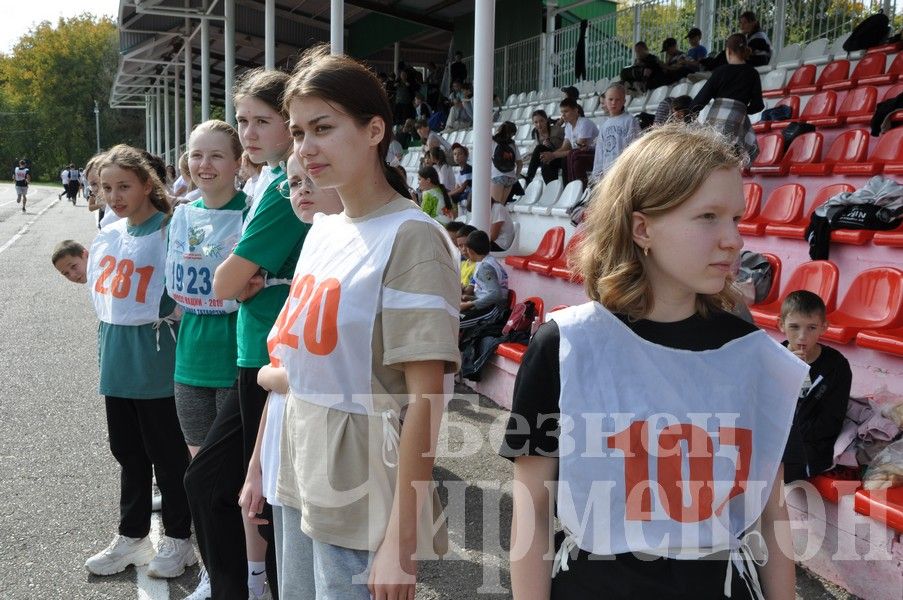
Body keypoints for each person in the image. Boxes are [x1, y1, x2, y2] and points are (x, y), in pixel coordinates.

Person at [501, 124, 807, 600]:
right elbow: (532, 509)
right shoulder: (563, 348)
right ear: (642, 227)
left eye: (736, 219)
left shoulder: (753, 355)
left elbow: (771, 512)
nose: (733, 240)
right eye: (708, 216)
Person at [275, 43, 460, 600]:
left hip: (362, 492)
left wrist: (402, 542)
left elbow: (425, 401)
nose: (306, 148)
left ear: (375, 129)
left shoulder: (413, 239)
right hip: (301, 471)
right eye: (299, 131)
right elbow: (292, 361)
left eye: (323, 128)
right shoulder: (325, 231)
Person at [190, 68, 305, 600]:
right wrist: (236, 281)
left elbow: (226, 280)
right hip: (255, 344)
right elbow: (231, 282)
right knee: (229, 487)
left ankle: (250, 587)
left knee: (249, 492)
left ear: (291, 122)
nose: (250, 133)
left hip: (268, 352)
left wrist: (236, 280)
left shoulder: (287, 185)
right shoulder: (269, 180)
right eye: (243, 121)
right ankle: (242, 585)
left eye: (264, 121)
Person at [85, 144, 196, 579]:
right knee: (128, 454)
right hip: (118, 359)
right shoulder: (111, 232)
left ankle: (179, 540)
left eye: (123, 186)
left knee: (169, 457)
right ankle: (131, 537)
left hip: (157, 361)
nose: (113, 196)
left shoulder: (170, 227)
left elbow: (180, 293)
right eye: (105, 188)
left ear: (147, 183)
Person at [239, 153, 344, 600]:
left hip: (334, 458)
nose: (299, 190)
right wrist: (256, 465)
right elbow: (283, 367)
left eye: (310, 179)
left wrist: (270, 377)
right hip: (287, 450)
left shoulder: (362, 254)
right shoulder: (313, 252)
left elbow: (309, 373)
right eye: (293, 182)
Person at [165, 119, 247, 461]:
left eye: (216, 156)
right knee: (200, 468)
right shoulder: (181, 216)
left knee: (236, 469)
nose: (204, 165)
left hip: (236, 359)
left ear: (238, 162)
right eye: (197, 155)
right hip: (189, 360)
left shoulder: (252, 211)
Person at [778, 291, 852, 483]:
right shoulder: (772, 358)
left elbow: (831, 421)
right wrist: (787, 371)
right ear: (781, 325)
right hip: (775, 439)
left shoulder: (836, 365)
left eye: (811, 328)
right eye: (794, 327)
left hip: (811, 446)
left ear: (824, 327)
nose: (802, 337)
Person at [692, 34, 764, 160]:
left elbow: (701, 99)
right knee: (732, 161)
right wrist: (742, 110)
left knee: (712, 161)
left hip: (715, 126)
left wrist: (690, 114)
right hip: (736, 124)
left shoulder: (720, 71)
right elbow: (758, 105)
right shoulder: (752, 73)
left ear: (728, 51)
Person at [460, 229, 509, 333]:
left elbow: (496, 294)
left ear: (471, 251)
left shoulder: (485, 267)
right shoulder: (486, 261)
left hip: (493, 310)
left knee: (453, 322)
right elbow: (487, 292)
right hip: (488, 306)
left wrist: (470, 304)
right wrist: (470, 298)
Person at [541, 98, 598, 187]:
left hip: (592, 155)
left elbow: (579, 150)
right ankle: (554, 190)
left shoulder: (584, 123)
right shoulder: (568, 126)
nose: (563, 115)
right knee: (547, 163)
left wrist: (553, 155)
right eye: (562, 112)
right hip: (577, 155)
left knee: (570, 158)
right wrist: (551, 155)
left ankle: (576, 190)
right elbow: (564, 147)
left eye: (566, 111)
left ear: (576, 110)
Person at [592, 83, 641, 181]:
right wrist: (597, 174)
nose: (614, 103)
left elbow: (635, 146)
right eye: (610, 99)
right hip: (607, 172)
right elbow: (600, 151)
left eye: (618, 99)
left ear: (624, 101)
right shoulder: (604, 125)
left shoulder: (630, 121)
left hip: (623, 171)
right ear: (605, 101)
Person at [526, 109, 564, 185]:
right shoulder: (536, 134)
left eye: (541, 121)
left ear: (546, 120)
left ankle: (529, 177)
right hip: (548, 159)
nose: (539, 124)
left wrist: (551, 146)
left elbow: (567, 146)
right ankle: (551, 187)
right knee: (545, 162)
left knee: (540, 148)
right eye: (536, 122)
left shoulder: (558, 130)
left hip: (560, 158)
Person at [490, 121, 522, 205]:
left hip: (497, 176)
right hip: (510, 177)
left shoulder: (493, 142)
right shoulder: (513, 145)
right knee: (501, 206)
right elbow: (520, 163)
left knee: (494, 206)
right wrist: (516, 176)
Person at [449, 143, 472, 210]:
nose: (457, 156)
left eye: (460, 154)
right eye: (455, 154)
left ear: (466, 156)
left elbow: (462, 188)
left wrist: (448, 194)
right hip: (462, 198)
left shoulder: (468, 169)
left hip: (467, 198)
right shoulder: (460, 171)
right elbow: (457, 187)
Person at [454, 223, 478, 288]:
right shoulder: (462, 264)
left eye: (467, 245)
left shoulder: (480, 265)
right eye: (460, 245)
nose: (464, 249)